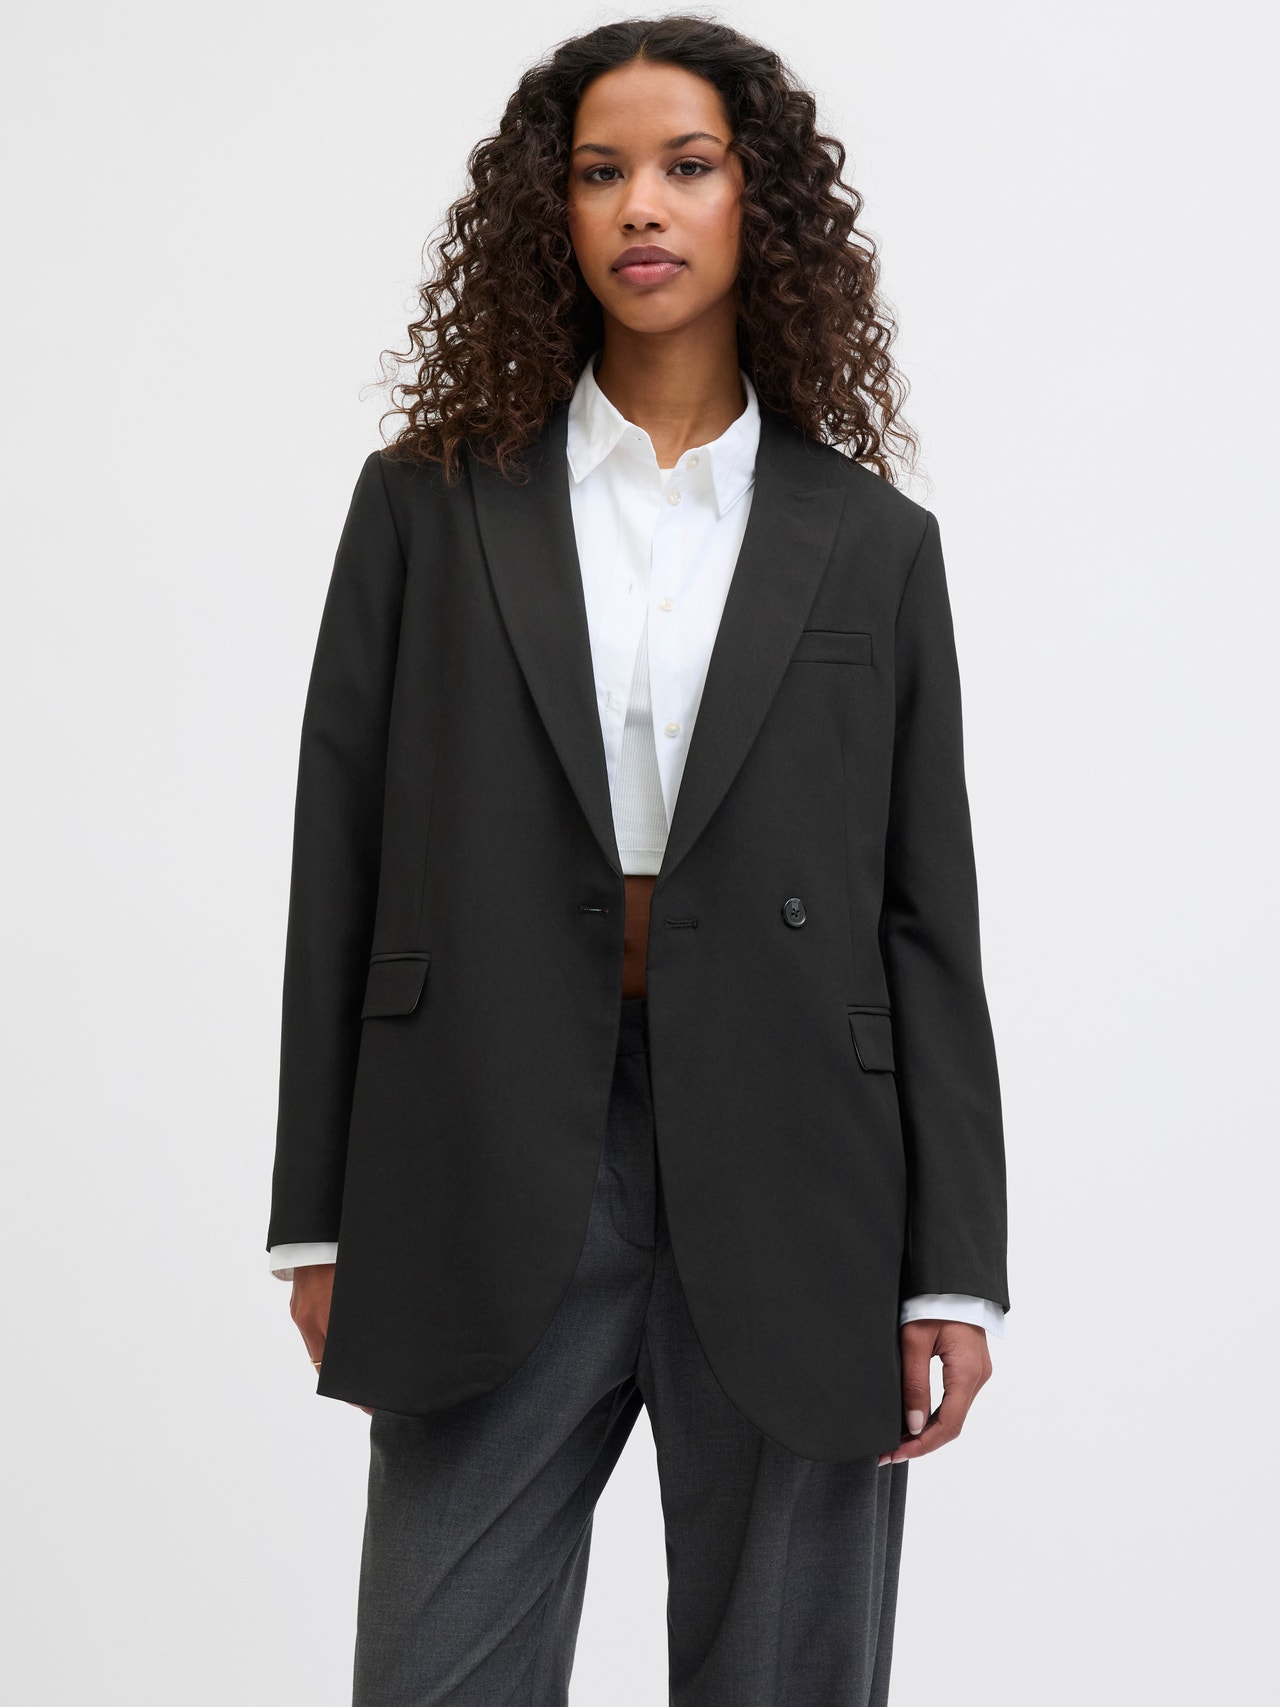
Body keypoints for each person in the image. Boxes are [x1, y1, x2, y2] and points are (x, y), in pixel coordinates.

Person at [265, 16, 1010, 1705]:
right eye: (600, 172)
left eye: (687, 166)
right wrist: (317, 1219)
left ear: (763, 204)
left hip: (803, 1166)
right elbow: (341, 856)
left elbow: (925, 915)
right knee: (437, 1671)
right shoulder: (427, 506)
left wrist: (953, 1262)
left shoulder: (874, 545)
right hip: (487, 1137)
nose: (642, 207)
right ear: (555, 210)